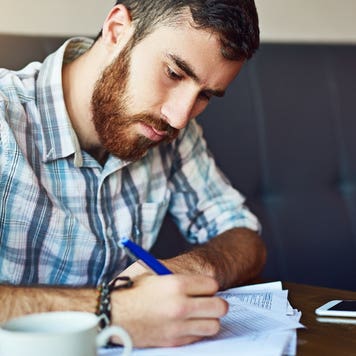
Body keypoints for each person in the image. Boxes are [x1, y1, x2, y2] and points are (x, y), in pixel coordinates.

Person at [0, 0, 266, 348]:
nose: (179, 117)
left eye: (205, 96)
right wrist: (110, 312)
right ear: (117, 30)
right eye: (174, 73)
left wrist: (200, 266)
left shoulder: (169, 133)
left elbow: (244, 235)